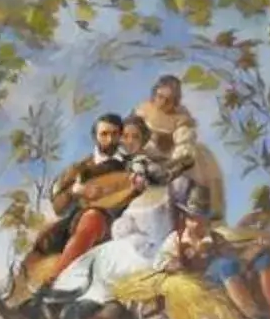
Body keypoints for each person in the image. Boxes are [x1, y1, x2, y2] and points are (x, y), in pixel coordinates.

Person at [21, 113, 148, 292]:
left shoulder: (131, 166)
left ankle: (54, 283)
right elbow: (58, 206)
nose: (109, 139)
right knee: (45, 240)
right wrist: (76, 191)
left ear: (120, 136)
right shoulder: (79, 169)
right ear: (95, 136)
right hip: (74, 221)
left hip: (113, 223)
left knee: (92, 218)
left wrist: (138, 187)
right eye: (104, 134)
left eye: (114, 134)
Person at [135, 75, 221, 226]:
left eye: (168, 100)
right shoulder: (144, 110)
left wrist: (171, 167)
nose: (162, 102)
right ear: (154, 94)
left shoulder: (180, 118)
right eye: (159, 96)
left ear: (175, 102)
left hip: (170, 162)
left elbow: (183, 146)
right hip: (142, 157)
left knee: (180, 186)